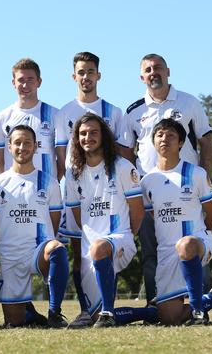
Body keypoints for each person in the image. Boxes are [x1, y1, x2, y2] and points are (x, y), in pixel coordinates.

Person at [118, 54, 212, 303]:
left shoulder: (189, 102)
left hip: (187, 192)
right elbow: (126, 152)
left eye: (158, 68)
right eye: (148, 70)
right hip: (150, 195)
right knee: (152, 252)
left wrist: (202, 174)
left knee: (191, 247)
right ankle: (155, 303)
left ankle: (201, 301)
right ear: (142, 77)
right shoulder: (133, 111)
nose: (153, 73)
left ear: (168, 71)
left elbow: (206, 140)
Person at [65, 113, 158, 328]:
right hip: (92, 244)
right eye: (83, 133)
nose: (88, 137)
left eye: (94, 132)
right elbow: (77, 215)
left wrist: (125, 237)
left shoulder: (123, 167)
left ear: (104, 136)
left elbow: (137, 212)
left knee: (100, 247)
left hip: (120, 238)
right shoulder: (72, 173)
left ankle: (108, 311)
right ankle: (150, 313)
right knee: (93, 315)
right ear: (77, 139)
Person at [140, 118, 212, 325]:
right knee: (169, 318)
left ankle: (198, 312)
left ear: (181, 143)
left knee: (186, 244)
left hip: (196, 243)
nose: (165, 139)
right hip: (166, 252)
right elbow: (153, 215)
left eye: (171, 135)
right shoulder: (146, 182)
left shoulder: (196, 174)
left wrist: (203, 236)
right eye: (160, 135)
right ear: (153, 142)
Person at [56, 52, 124, 328]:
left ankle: (106, 307)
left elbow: (121, 152)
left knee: (106, 249)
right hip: (76, 192)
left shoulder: (113, 112)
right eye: (81, 72)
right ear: (74, 76)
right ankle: (86, 309)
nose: (86, 77)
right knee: (76, 250)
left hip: (108, 195)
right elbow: (62, 155)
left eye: (91, 71)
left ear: (99, 75)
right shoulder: (64, 112)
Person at [0, 125, 69, 328]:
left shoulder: (49, 183)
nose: (22, 147)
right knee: (13, 322)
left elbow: (54, 221)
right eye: (17, 142)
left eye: (27, 143)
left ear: (36, 146)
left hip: (39, 251)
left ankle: (54, 312)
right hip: (12, 254)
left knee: (56, 248)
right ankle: (31, 314)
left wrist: (46, 243)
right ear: (9, 146)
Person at [0, 58, 62, 180]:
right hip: (12, 192)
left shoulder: (56, 115)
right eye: (21, 80)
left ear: (39, 82)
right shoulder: (0, 119)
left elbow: (63, 157)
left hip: (46, 191)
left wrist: (54, 182)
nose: (25, 85)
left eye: (30, 80)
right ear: (13, 83)